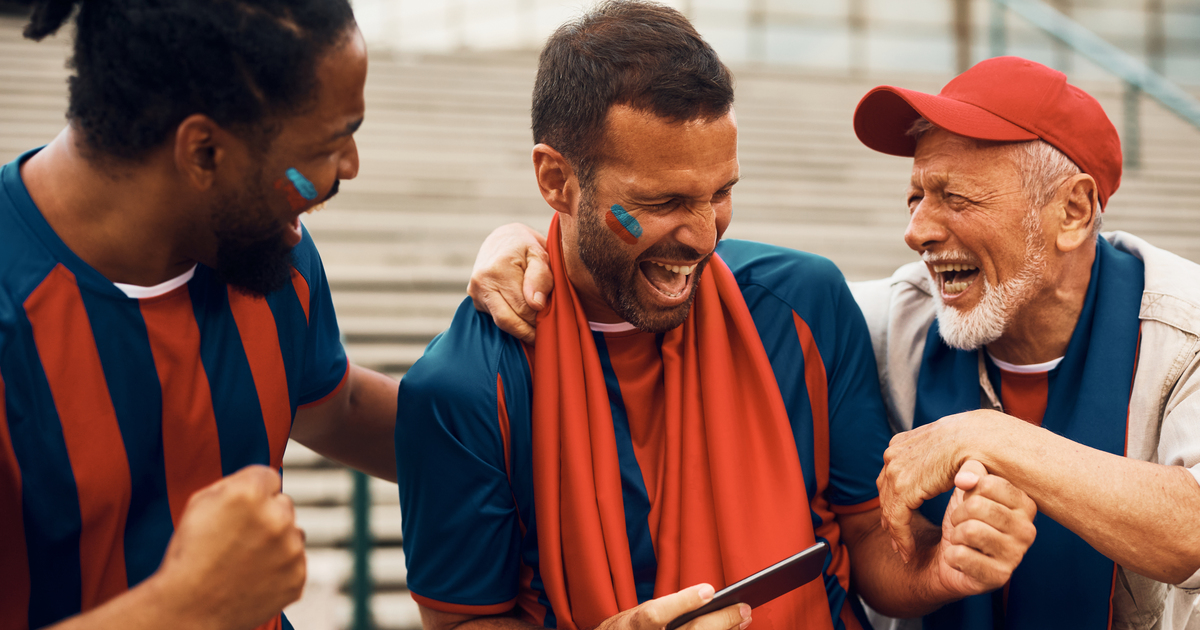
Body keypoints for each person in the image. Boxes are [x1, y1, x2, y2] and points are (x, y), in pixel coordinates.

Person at [470, 56, 1200, 629]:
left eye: (956, 197)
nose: (917, 229)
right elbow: (697, 282)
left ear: (1072, 212)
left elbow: (1189, 528)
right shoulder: (897, 315)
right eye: (916, 195)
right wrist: (523, 241)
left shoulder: (1184, 329)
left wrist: (988, 438)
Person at [396, 3, 1037, 630]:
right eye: (663, 200)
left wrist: (939, 567)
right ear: (556, 179)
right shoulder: (463, 386)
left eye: (721, 193)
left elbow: (867, 530)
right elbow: (461, 619)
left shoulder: (805, 305)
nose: (703, 237)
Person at [0, 1, 401, 628]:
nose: (350, 166)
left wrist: (548, 256)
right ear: (205, 152)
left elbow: (336, 406)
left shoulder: (265, 246)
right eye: (332, 141)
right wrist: (187, 607)